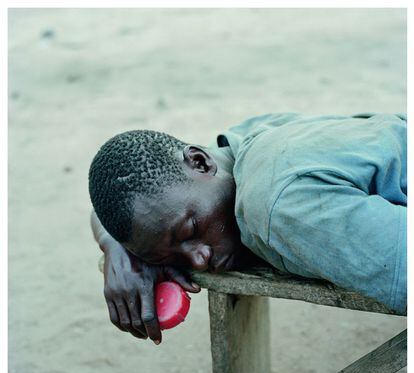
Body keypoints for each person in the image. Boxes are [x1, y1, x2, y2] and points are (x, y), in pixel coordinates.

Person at [89, 112, 407, 345]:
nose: (199, 261)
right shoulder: (240, 145)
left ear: (201, 162)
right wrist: (116, 247)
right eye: (169, 259)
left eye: (190, 231)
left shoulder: (277, 210)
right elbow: (116, 202)